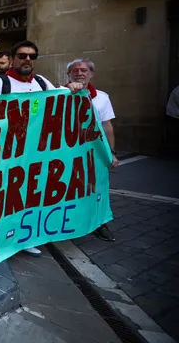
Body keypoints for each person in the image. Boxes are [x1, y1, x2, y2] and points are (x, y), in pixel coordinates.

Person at [0, 40, 83, 257]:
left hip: (35, 152)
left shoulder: (41, 82)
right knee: (5, 196)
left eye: (32, 56)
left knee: (29, 195)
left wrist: (70, 88)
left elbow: (59, 97)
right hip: (7, 152)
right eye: (22, 55)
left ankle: (24, 237)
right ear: (13, 59)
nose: (27, 59)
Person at [67, 58, 118, 242]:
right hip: (68, 154)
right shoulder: (59, 94)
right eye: (75, 70)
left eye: (84, 70)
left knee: (97, 189)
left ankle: (99, 224)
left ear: (91, 74)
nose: (79, 73)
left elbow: (107, 126)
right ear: (69, 75)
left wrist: (111, 152)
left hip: (94, 154)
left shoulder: (102, 97)